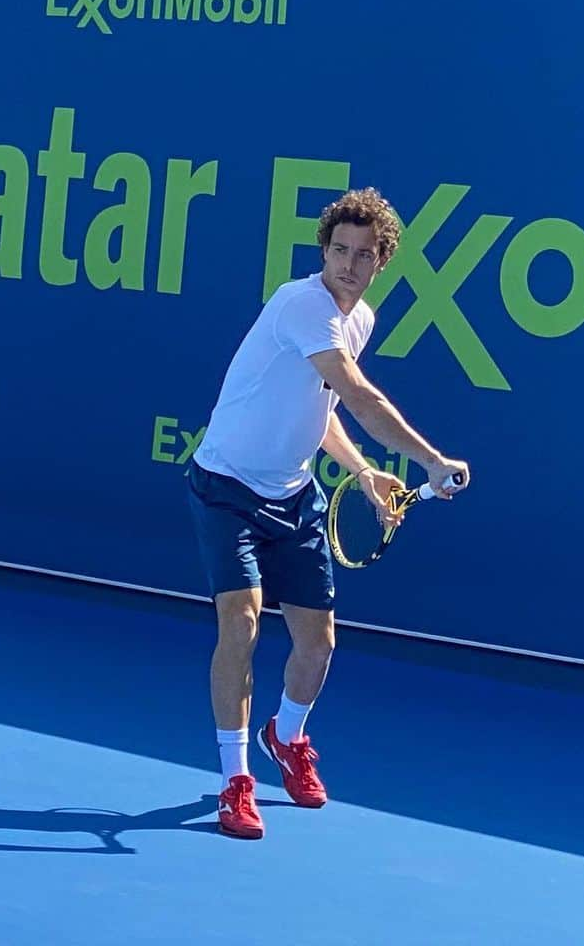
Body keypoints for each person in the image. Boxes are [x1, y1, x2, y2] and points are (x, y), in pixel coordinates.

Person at [186, 187, 469, 839]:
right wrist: (429, 460)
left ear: (381, 262)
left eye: (362, 255)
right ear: (325, 251)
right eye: (339, 250)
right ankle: (235, 780)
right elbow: (360, 394)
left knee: (319, 644)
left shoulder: (359, 319)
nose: (347, 264)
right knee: (243, 622)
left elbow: (325, 407)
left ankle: (286, 738)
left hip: (294, 494)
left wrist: (366, 471)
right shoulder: (302, 303)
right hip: (226, 487)